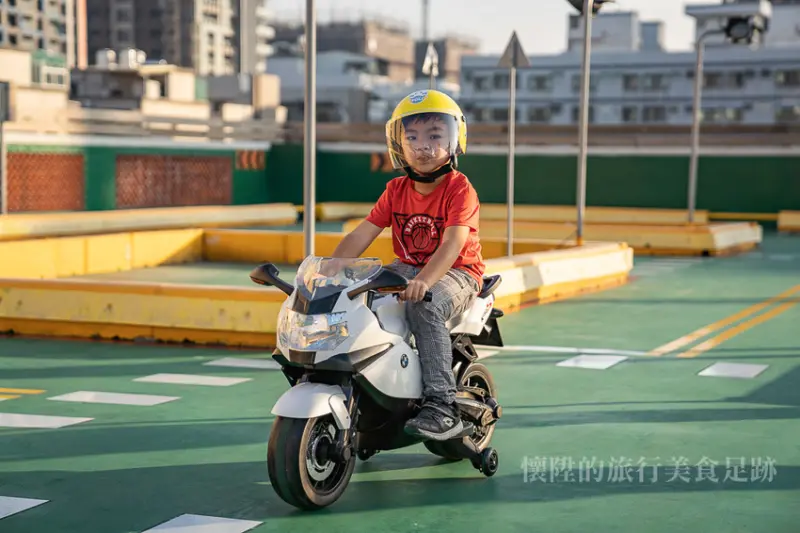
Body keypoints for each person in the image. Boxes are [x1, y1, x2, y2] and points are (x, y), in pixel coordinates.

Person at [330, 89, 485, 441]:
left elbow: (453, 244)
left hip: (458, 271)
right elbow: (362, 233)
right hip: (409, 266)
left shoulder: (460, 189)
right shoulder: (395, 189)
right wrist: (333, 266)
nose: (422, 146)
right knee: (357, 292)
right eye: (411, 137)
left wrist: (427, 281)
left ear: (455, 139)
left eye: (435, 136)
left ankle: (442, 405)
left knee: (422, 307)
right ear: (398, 143)